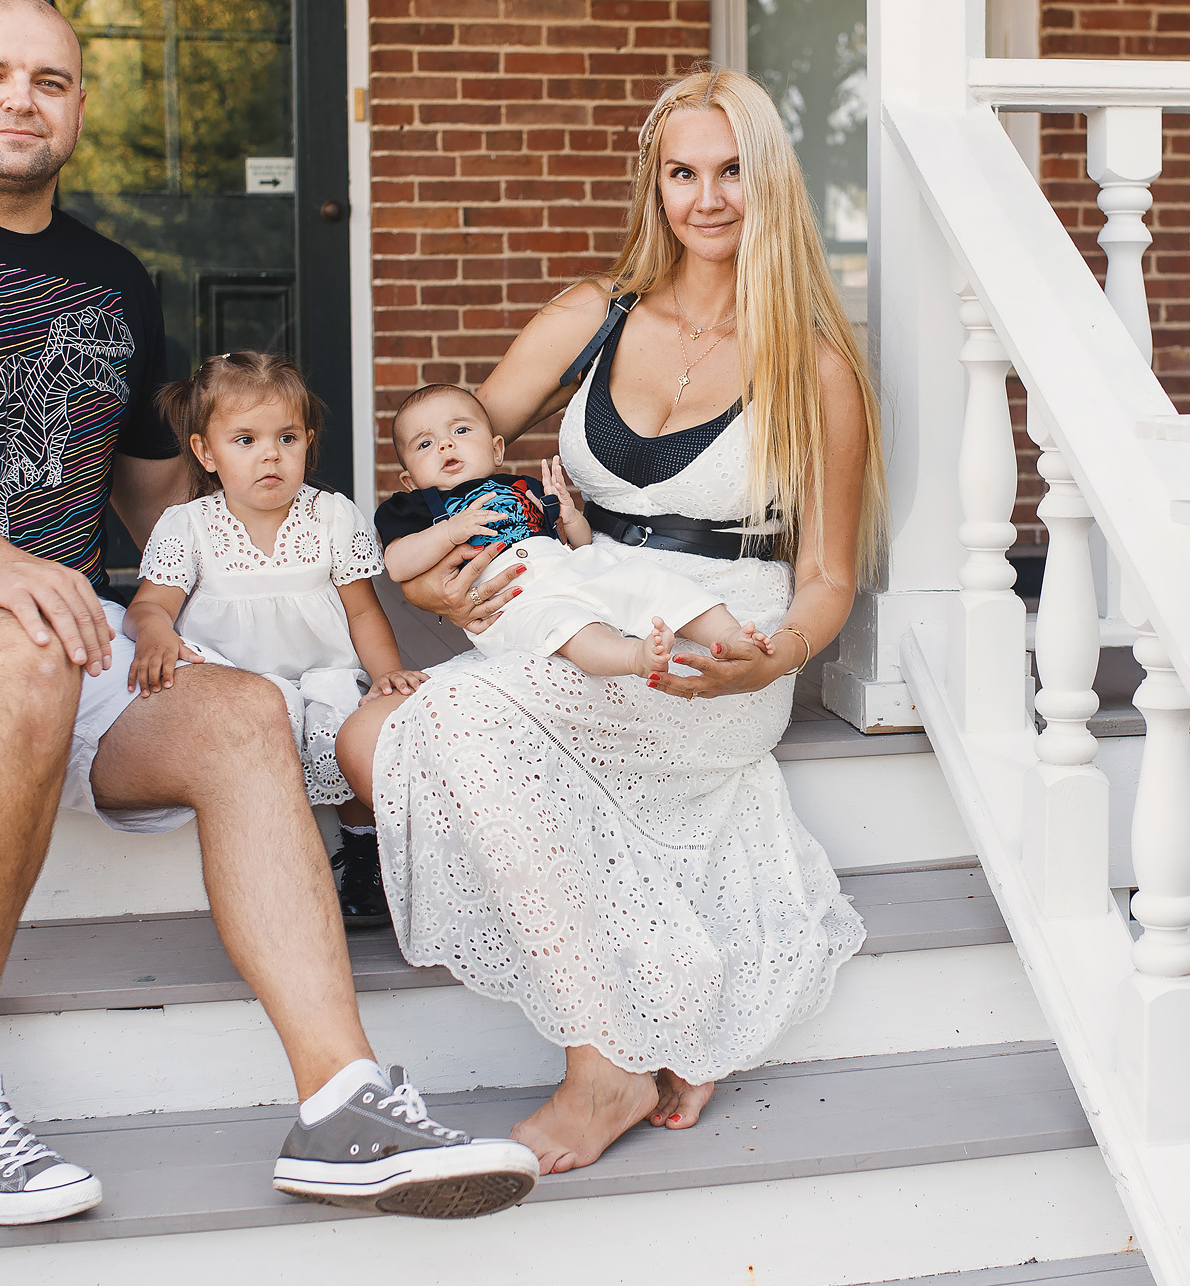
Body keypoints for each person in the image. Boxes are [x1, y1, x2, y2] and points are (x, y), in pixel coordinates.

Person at [0, 0, 538, 1227]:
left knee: (240, 710)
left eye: (50, 80)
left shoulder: (111, 278)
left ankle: (341, 1100)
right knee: (25, 649)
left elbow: (164, 500)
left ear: (76, 110)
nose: (21, 99)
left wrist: (318, 565)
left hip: (50, 628)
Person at [335, 67, 886, 1176]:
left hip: (715, 644)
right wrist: (433, 572)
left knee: (426, 732)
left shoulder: (814, 364)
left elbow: (827, 575)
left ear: (769, 183)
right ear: (656, 186)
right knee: (367, 743)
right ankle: (657, 991)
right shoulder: (591, 317)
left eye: (732, 172)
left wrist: (767, 663)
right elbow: (447, 452)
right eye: (682, 173)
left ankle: (603, 1064)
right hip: (574, 616)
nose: (707, 199)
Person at [124, 349, 423, 928]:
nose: (270, 454)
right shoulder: (188, 526)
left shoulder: (332, 516)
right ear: (206, 453)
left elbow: (362, 612)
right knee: (259, 734)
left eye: (287, 437)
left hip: (323, 670)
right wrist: (155, 631)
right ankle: (273, 868)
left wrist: (385, 674)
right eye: (245, 440)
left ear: (308, 442)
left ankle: (363, 852)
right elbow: (150, 604)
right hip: (236, 680)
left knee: (349, 725)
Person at [375, 383, 766, 680]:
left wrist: (571, 516)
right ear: (409, 479)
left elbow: (578, 542)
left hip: (570, 567)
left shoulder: (523, 486)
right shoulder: (416, 506)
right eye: (425, 443)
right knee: (569, 627)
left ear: (496, 450)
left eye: (460, 431)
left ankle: (732, 636)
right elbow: (396, 564)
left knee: (649, 579)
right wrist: (448, 532)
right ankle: (634, 657)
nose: (445, 445)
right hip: (516, 603)